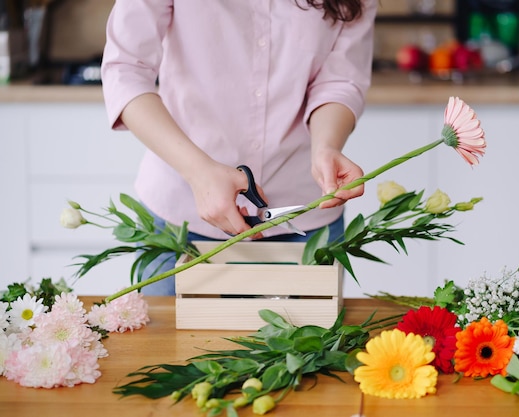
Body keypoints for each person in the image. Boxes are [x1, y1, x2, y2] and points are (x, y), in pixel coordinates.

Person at [100, 0, 377, 295]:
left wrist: (326, 146)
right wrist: (199, 173)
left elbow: (340, 81)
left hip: (304, 221)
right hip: (179, 219)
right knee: (165, 341)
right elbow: (126, 68)